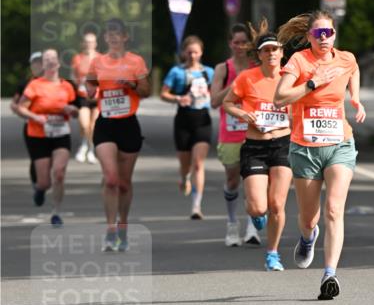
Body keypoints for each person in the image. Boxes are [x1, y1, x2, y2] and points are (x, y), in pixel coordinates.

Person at [274, 11, 366, 299]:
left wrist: (356, 97)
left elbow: (354, 70)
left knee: (334, 210)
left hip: (340, 143)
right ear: (309, 37)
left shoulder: (346, 58)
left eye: (329, 33)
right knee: (309, 218)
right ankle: (307, 237)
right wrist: (313, 82)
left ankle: (330, 274)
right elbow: (280, 97)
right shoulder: (299, 61)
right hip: (305, 148)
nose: (324, 39)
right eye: (318, 34)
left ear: (335, 34)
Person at [222, 27, 292, 270]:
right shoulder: (247, 77)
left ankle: (272, 253)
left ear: (282, 53)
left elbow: (305, 103)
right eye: (266, 50)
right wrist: (243, 114)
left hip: (283, 144)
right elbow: (227, 102)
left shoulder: (291, 77)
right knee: (258, 207)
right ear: (259, 55)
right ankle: (255, 213)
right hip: (254, 146)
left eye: (275, 49)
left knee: (277, 205)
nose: (271, 53)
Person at [86, 18, 150, 251]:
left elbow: (146, 90)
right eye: (109, 35)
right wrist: (90, 90)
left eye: (117, 35)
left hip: (129, 125)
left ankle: (123, 226)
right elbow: (90, 84)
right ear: (105, 39)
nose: (113, 38)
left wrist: (131, 85)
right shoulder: (98, 61)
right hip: (106, 124)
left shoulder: (135, 61)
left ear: (124, 37)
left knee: (124, 183)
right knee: (111, 179)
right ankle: (110, 229)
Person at [210, 24, 262, 247]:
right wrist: (235, 84)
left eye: (244, 42)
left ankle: (252, 227)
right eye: (236, 42)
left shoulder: (256, 67)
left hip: (252, 132)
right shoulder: (223, 68)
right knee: (232, 180)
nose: (240, 46)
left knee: (253, 181)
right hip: (229, 133)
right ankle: (232, 224)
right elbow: (213, 102)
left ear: (250, 44)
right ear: (230, 43)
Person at [15, 48, 79, 226]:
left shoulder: (67, 86)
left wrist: (72, 110)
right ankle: (40, 189)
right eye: (46, 59)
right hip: (38, 134)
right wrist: (35, 117)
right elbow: (21, 107)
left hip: (61, 134)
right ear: (43, 65)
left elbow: (76, 110)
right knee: (44, 182)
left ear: (58, 63)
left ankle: (56, 212)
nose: (50, 62)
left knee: (59, 173)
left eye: (53, 59)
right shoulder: (35, 85)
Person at [160, 35, 214, 219]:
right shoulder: (176, 71)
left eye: (196, 52)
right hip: (183, 120)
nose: (192, 55)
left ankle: (196, 206)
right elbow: (163, 93)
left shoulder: (209, 72)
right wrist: (177, 98)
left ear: (201, 52)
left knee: (198, 163)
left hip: (202, 120)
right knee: (185, 164)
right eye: (189, 52)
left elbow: (215, 93)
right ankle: (184, 178)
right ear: (184, 52)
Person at [10, 51, 44, 188]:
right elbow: (14, 103)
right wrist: (19, 110)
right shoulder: (25, 84)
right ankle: (36, 183)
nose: (38, 65)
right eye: (35, 63)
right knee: (36, 157)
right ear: (31, 65)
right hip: (31, 125)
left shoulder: (56, 82)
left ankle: (46, 179)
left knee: (51, 157)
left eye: (41, 62)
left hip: (53, 126)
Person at [70, 28, 100, 163]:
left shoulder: (101, 58)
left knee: (94, 126)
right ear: (83, 44)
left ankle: (90, 150)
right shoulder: (77, 58)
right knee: (84, 125)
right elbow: (72, 75)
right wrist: (78, 84)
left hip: (98, 97)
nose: (89, 44)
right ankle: (84, 144)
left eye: (92, 42)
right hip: (82, 96)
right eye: (87, 42)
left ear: (96, 44)